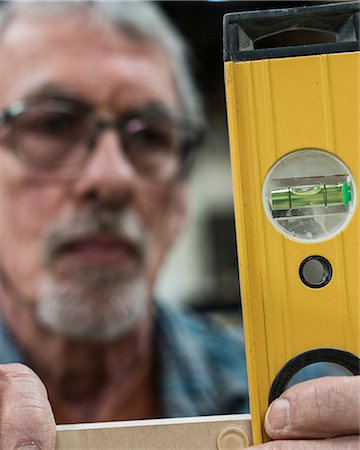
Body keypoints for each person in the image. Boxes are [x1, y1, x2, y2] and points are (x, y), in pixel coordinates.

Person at [0, 2, 358, 449]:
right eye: (52, 124)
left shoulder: (304, 394)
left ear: (178, 202)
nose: (112, 178)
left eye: (151, 135)